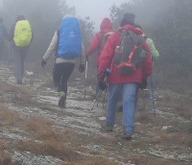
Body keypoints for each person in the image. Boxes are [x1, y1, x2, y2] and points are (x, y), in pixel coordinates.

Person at [98, 12, 153, 140]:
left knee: (112, 99)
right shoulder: (141, 39)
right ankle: (128, 130)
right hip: (134, 76)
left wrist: (101, 75)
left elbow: (105, 57)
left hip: (116, 74)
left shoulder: (116, 36)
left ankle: (109, 124)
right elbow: (146, 58)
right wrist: (144, 76)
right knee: (129, 101)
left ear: (122, 23)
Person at [41, 15, 86, 108]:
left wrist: (44, 58)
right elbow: (82, 48)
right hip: (72, 62)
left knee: (56, 78)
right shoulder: (77, 32)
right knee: (65, 80)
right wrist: (82, 63)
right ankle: (63, 102)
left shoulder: (59, 30)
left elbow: (52, 46)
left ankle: (61, 92)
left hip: (60, 60)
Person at [10, 15, 32, 84]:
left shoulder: (14, 25)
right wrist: (28, 43)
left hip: (16, 46)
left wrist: (12, 40)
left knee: (17, 62)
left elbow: (10, 36)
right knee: (22, 62)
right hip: (25, 46)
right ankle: (22, 77)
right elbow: (32, 35)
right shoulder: (27, 25)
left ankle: (19, 79)